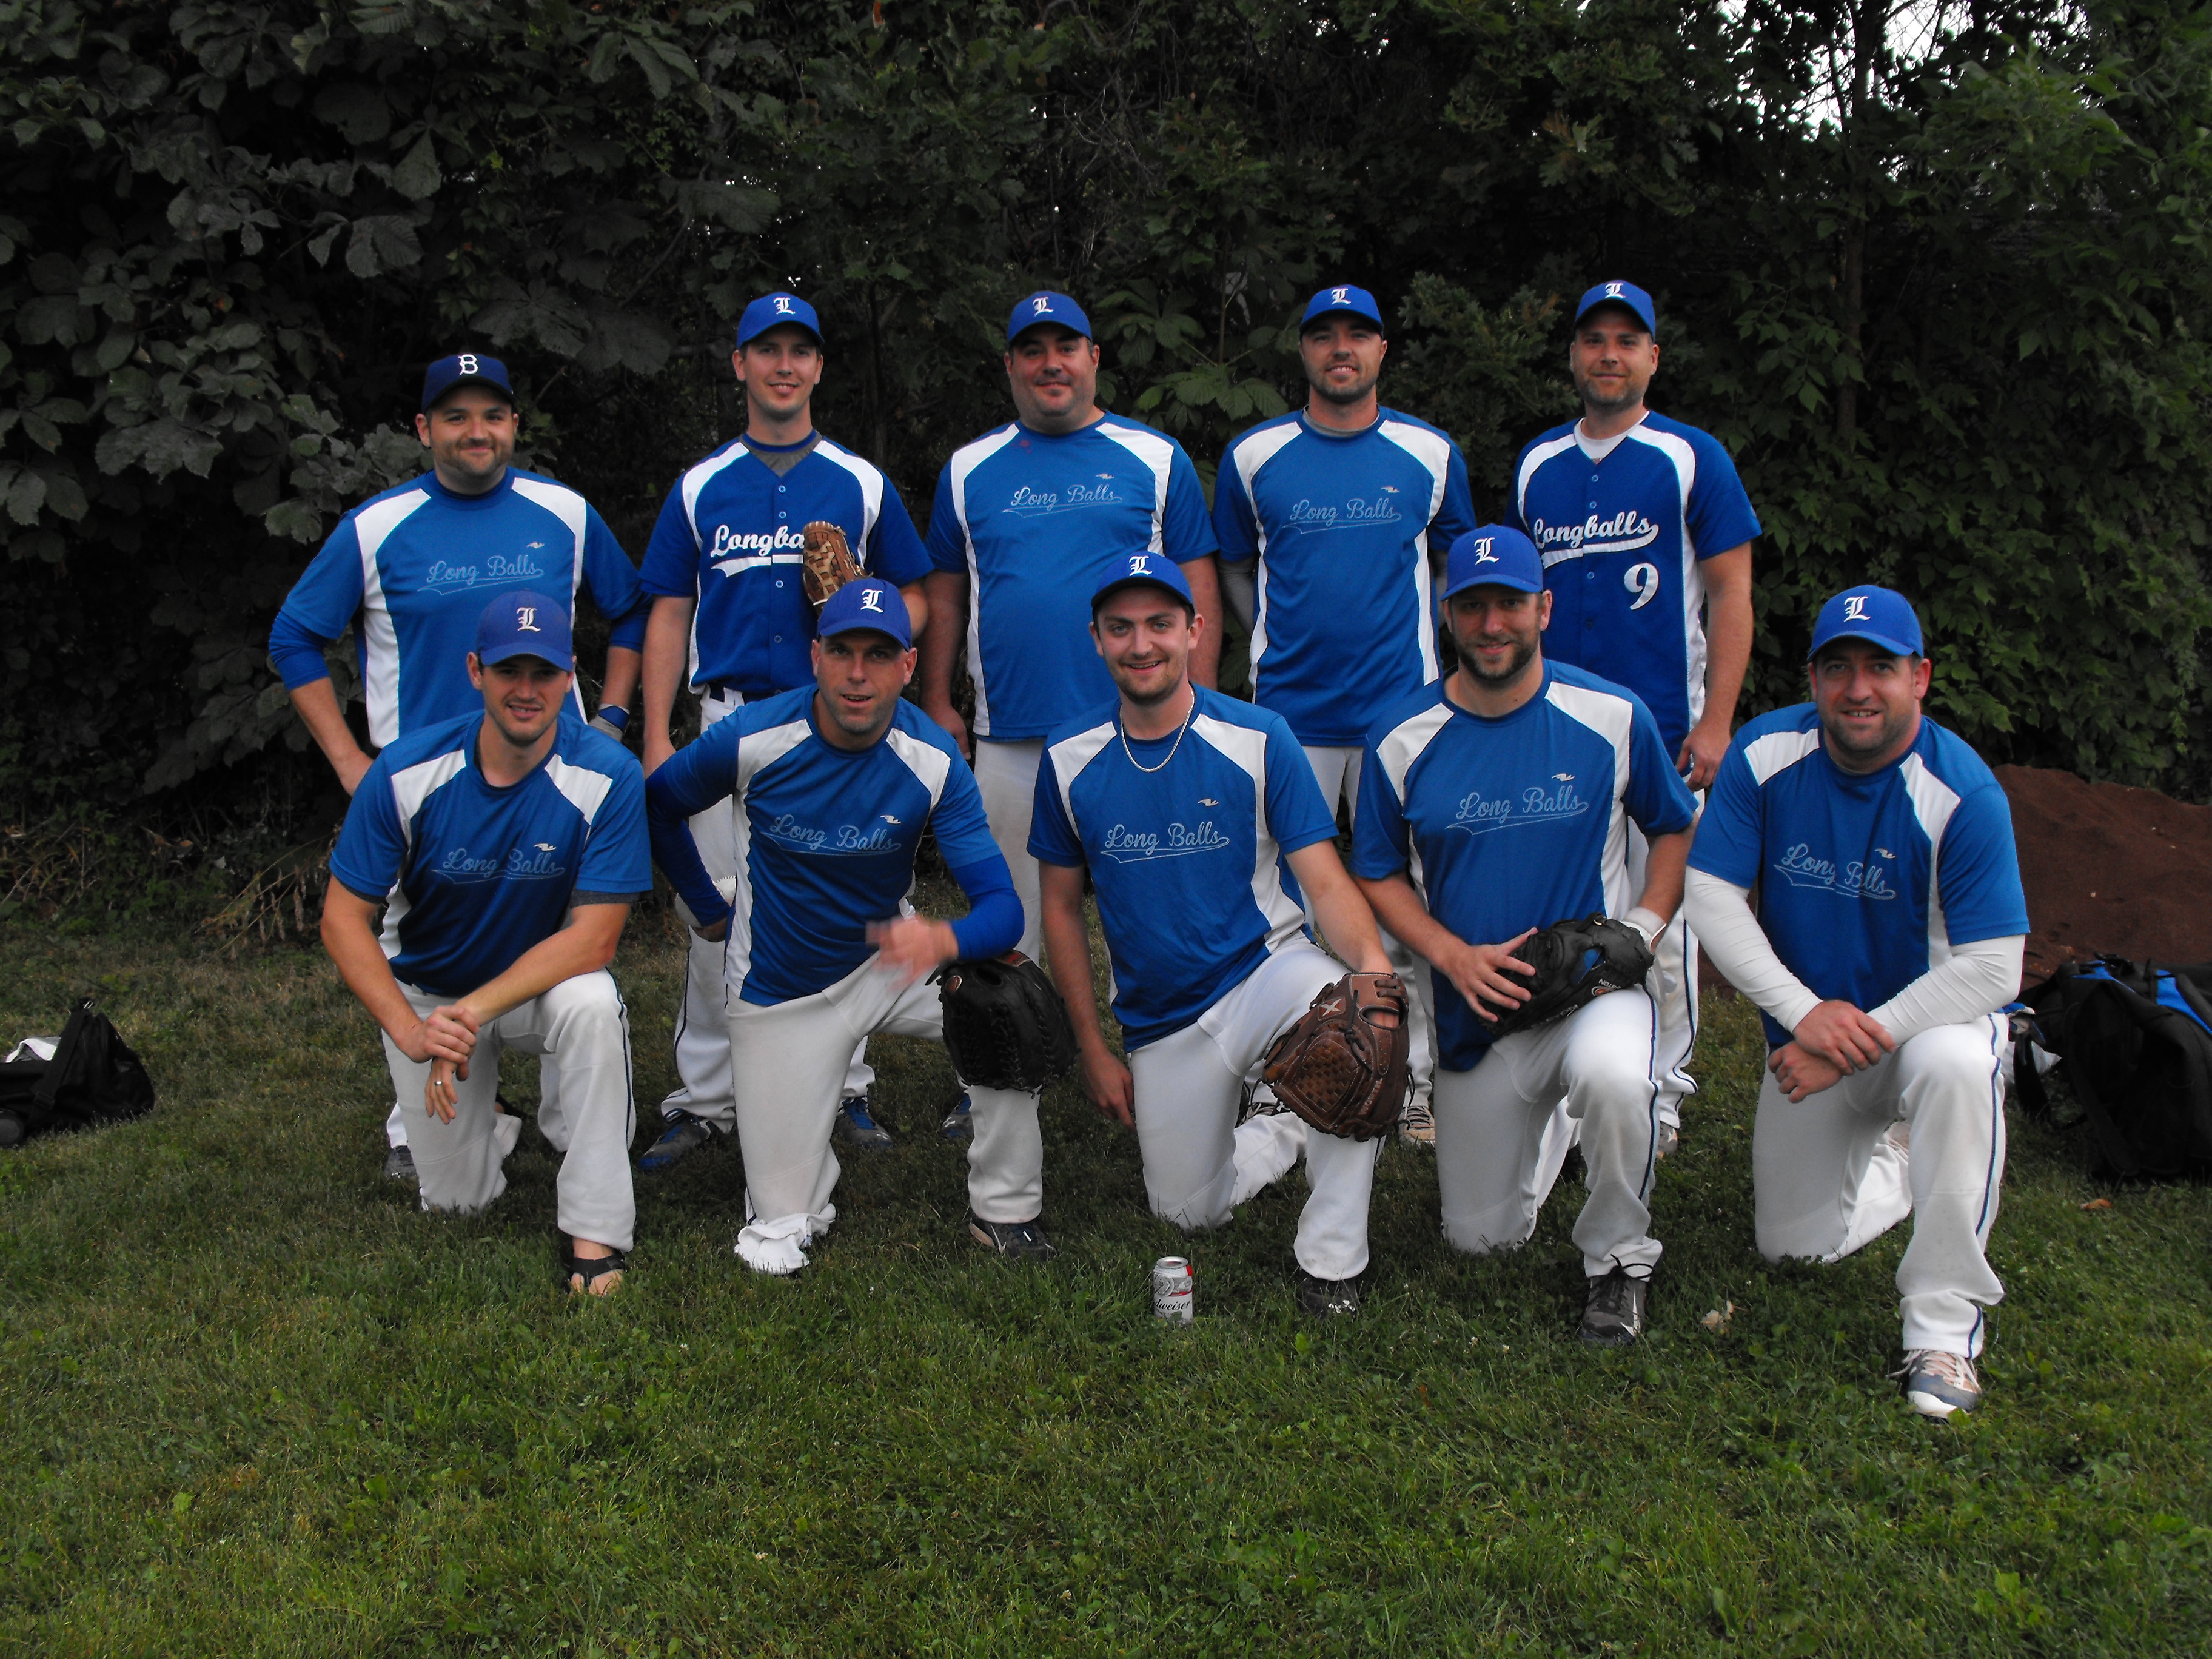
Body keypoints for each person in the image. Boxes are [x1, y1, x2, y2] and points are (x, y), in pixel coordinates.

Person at [272, 352, 646, 1182]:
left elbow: (630, 609)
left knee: (569, 950)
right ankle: (424, 1115)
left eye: (492, 415)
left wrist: (612, 718)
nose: (476, 432)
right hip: (427, 793)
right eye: (455, 416)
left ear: (513, 424)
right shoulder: (377, 527)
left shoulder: (565, 513)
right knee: (421, 947)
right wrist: (349, 760)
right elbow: (294, 635)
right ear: (423, 429)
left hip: (553, 784)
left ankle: (570, 1113)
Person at [1350, 528, 1699, 1347]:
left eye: (1509, 603)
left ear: (1543, 609)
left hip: (1589, 991)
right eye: (1473, 607)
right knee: (1481, 1241)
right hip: (1477, 1015)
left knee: (1616, 1078)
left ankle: (1618, 1264)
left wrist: (1645, 926)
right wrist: (1448, 955)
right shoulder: (1400, 735)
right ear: (1447, 617)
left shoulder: (1611, 714)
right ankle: (1555, 1134)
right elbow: (1378, 872)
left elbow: (1675, 827)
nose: (1492, 624)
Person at [1683, 586, 2026, 1418]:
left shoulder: (1962, 792)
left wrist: (1851, 1036)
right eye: (1838, 668)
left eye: (1882, 667)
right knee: (1791, 1249)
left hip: (1922, 1034)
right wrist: (1806, 1016)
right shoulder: (1767, 753)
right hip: (1814, 1041)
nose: (1859, 688)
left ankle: (1943, 1331)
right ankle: (1907, 1161)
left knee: (1957, 1066)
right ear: (1813, 679)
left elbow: (1995, 968)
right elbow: (1711, 896)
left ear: (1921, 678)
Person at [645, 578, 1047, 1274]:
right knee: (780, 1230)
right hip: (779, 985)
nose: (859, 673)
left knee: (1006, 1007)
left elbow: (1003, 910)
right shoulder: (753, 737)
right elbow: (660, 803)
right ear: (816, 657)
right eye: (842, 652)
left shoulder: (933, 758)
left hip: (890, 961)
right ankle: (795, 1160)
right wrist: (707, 909)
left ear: (908, 666)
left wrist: (943, 940)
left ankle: (1005, 1211)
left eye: (879, 654)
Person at [1031, 553, 1397, 1315]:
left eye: (1160, 625)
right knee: (1186, 1215)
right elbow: (1060, 908)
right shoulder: (1068, 758)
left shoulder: (1259, 737)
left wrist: (1370, 968)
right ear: (1096, 638)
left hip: (1265, 971)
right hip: (1162, 1014)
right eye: (1121, 628)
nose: (1142, 644)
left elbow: (1326, 879)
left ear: (1195, 630)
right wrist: (1092, 1048)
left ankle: (1333, 1266)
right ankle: (1281, 1127)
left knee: (1353, 1039)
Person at [633, 292, 932, 1173]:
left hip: (828, 721)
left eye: (801, 350)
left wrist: (867, 620)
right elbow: (667, 610)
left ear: (819, 367)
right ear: (741, 364)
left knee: (844, 901)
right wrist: (656, 735)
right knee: (712, 912)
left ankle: (845, 1087)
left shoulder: (859, 482)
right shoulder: (701, 486)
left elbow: (917, 595)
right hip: (728, 719)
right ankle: (706, 1098)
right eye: (768, 349)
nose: (784, 365)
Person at [916, 293, 1222, 1147]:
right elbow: (947, 591)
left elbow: (1196, 584)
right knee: (1004, 916)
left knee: (1158, 907)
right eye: (1032, 349)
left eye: (1067, 346)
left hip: (1137, 734)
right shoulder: (970, 468)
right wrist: (937, 698)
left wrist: (1196, 704)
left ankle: (1182, 1064)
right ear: (1011, 365)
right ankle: (993, 1080)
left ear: (1093, 357)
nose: (1050, 362)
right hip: (1013, 735)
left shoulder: (1153, 457)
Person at [320, 591, 650, 1295]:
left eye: (544, 672)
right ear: (476, 671)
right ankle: (491, 1123)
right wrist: (414, 1032)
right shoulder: (406, 771)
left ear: (570, 676)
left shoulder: (609, 774)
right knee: (457, 1205)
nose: (527, 690)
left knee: (593, 1005)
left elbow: (595, 939)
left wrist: (471, 1014)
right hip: (434, 992)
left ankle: (594, 1233)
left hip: (539, 987)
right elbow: (342, 920)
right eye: (509, 671)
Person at [1213, 283, 1478, 1147]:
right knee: (1281, 903)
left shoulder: (1429, 452)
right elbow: (1236, 571)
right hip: (1290, 718)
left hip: (1401, 720)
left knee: (1412, 896)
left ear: (1381, 350)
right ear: (1303, 351)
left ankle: (1414, 1080)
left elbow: (1456, 571)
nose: (1341, 349)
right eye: (1323, 334)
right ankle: (1284, 1074)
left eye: (1357, 334)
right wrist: (1272, 643)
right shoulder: (1255, 456)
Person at [1506, 281, 1760, 1154]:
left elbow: (1731, 592)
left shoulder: (1689, 456)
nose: (1608, 355)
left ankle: (1662, 1090)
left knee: (1665, 925)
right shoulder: (1539, 464)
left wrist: (1717, 720)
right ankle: (1573, 1073)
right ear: (1574, 356)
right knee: (1567, 910)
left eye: (1626, 340)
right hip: (1559, 733)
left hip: (1663, 729)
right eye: (1594, 340)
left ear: (1653, 356)